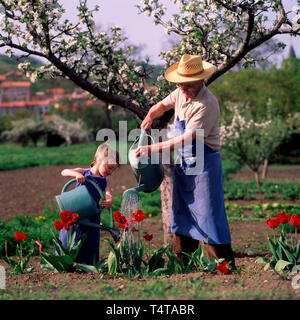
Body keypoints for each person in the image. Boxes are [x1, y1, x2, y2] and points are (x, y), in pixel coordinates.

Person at [136, 54, 236, 269]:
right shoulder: (181, 92)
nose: (183, 90)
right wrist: (150, 115)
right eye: (180, 85)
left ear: (201, 81)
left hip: (204, 163)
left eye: (188, 86)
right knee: (181, 214)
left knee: (209, 213)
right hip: (186, 163)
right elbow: (162, 105)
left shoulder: (206, 104)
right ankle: (181, 265)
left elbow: (187, 139)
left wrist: (152, 148)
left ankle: (224, 265)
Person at [59, 143, 120, 265]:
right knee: (70, 236)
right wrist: (77, 174)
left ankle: (88, 265)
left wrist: (109, 200)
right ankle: (64, 262)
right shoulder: (84, 172)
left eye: (113, 169)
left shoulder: (105, 181)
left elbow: (108, 194)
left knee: (90, 239)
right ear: (98, 160)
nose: (111, 172)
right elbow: (64, 171)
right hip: (77, 212)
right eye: (109, 168)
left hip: (92, 214)